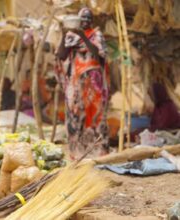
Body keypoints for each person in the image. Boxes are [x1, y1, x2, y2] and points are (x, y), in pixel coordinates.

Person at [56, 7, 109, 159]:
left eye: (87, 19)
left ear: (92, 21)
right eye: (82, 19)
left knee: (95, 117)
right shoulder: (71, 36)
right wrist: (63, 34)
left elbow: (98, 54)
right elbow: (61, 55)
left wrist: (82, 36)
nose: (84, 22)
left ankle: (98, 153)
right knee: (75, 117)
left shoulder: (96, 35)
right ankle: (77, 154)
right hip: (75, 83)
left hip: (94, 84)